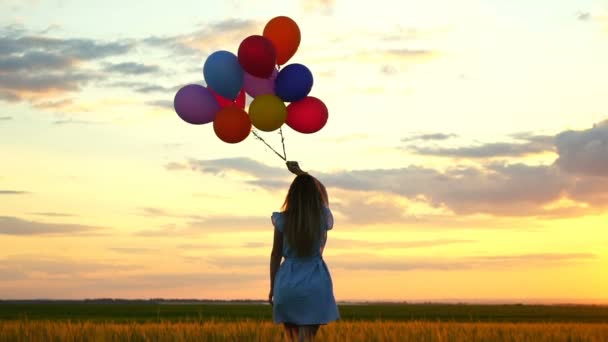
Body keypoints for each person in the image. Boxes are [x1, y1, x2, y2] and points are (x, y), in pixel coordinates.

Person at [269, 161, 340, 341]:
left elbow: (275, 255)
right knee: (306, 339)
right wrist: (303, 174)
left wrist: (272, 287)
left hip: (287, 285)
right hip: (314, 284)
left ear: (291, 196)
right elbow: (322, 192)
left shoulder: (282, 220)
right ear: (315, 196)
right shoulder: (323, 218)